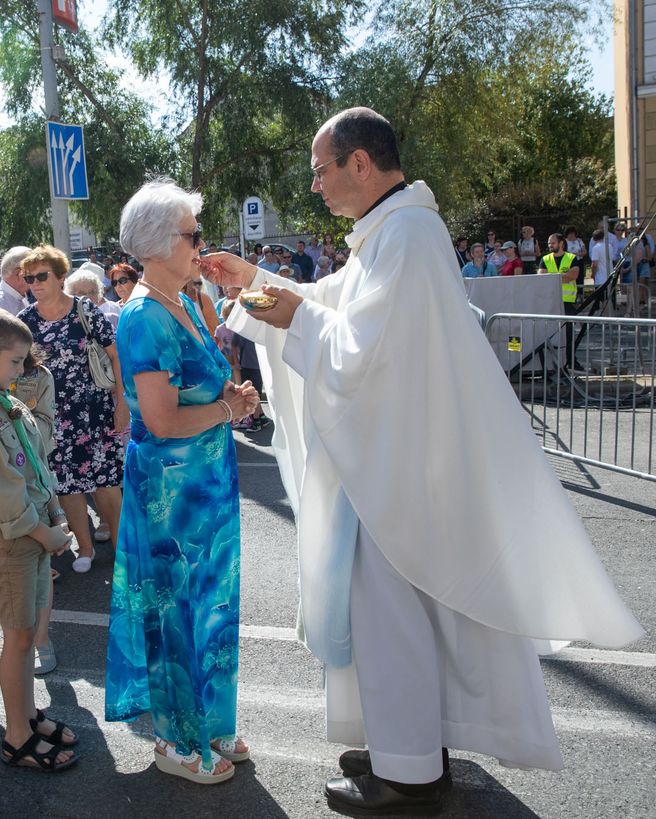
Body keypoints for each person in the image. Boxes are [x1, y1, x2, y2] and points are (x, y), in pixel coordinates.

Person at [206, 106, 642, 815]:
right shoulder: (392, 230)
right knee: (396, 616)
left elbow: (367, 350)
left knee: (391, 617)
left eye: (320, 169)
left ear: (358, 163)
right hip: (397, 460)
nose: (314, 185)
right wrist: (253, 279)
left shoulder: (408, 232)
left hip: (405, 472)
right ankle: (402, 741)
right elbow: (333, 304)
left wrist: (291, 314)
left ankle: (408, 772)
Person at [104, 181, 259, 785]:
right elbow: (163, 421)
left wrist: (232, 395)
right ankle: (175, 739)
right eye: (194, 234)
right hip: (170, 493)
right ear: (161, 243)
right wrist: (231, 411)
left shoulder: (187, 303)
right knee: (176, 611)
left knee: (215, 603)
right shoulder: (143, 316)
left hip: (208, 483)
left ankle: (213, 722)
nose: (202, 243)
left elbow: (204, 383)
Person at [0, 307, 78, 771]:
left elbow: (37, 467)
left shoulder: (6, 401)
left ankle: (25, 713)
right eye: (15, 361)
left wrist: (55, 518)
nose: (23, 370)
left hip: (34, 532)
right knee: (18, 637)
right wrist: (45, 532)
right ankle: (16, 735)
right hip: (9, 538)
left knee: (26, 634)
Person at [18, 246, 126, 574]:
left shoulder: (85, 311)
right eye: (28, 277)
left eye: (41, 276)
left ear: (61, 276)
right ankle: (86, 547)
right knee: (68, 487)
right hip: (52, 418)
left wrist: (122, 405)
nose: (34, 283)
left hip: (94, 412)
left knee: (106, 482)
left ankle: (124, 548)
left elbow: (115, 357)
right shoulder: (25, 321)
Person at [538, 234, 584, 370]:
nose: (550, 245)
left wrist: (552, 276)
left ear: (561, 243)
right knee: (550, 333)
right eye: (549, 243)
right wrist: (562, 276)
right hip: (550, 301)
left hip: (567, 302)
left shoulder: (571, 258)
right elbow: (541, 277)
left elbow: (573, 275)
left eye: (552, 243)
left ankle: (570, 361)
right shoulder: (545, 259)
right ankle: (552, 363)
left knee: (568, 334)